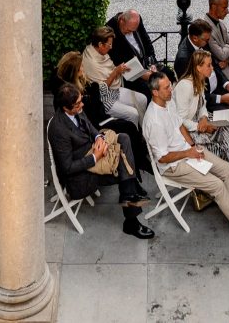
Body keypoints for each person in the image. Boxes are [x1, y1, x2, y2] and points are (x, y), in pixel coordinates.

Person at [141, 73, 229, 245]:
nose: (171, 90)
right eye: (166, 88)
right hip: (173, 165)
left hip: (187, 151)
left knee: (227, 169)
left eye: (170, 85)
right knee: (217, 185)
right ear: (155, 92)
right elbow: (163, 158)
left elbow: (179, 125)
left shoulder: (168, 102)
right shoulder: (154, 121)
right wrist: (188, 154)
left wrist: (192, 145)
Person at [48, 82, 153, 240]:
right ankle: (131, 220)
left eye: (81, 101)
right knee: (124, 168)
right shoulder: (58, 129)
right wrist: (95, 157)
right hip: (81, 177)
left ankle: (131, 188)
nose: (82, 105)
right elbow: (67, 168)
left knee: (124, 138)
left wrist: (98, 137)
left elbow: (89, 126)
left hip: (93, 152)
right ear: (65, 108)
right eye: (78, 104)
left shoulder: (76, 109)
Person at [174, 20, 229, 160]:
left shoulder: (203, 42)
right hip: (210, 100)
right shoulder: (184, 59)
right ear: (195, 38)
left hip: (219, 90)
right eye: (206, 39)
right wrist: (221, 99)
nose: (208, 42)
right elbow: (198, 96)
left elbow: (215, 67)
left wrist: (226, 84)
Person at [55, 50, 151, 173]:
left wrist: (94, 91)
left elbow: (95, 102)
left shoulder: (82, 84)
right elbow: (88, 113)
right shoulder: (69, 94)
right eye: (81, 67)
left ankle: (137, 161)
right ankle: (138, 163)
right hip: (95, 125)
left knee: (130, 127)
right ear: (75, 71)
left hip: (98, 119)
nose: (83, 68)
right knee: (128, 127)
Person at [174, 49, 229, 192]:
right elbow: (180, 120)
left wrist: (204, 118)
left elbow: (202, 106)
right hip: (186, 133)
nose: (212, 68)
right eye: (209, 65)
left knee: (227, 129)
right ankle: (227, 179)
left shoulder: (199, 81)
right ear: (198, 67)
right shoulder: (185, 86)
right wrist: (200, 126)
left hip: (198, 123)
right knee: (224, 137)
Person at [82, 26, 148, 127]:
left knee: (142, 99)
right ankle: (133, 135)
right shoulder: (92, 62)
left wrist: (121, 70)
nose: (111, 47)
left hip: (115, 90)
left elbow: (110, 69)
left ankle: (144, 129)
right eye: (109, 44)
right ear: (100, 44)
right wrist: (116, 72)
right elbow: (101, 91)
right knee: (133, 114)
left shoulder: (98, 50)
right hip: (104, 100)